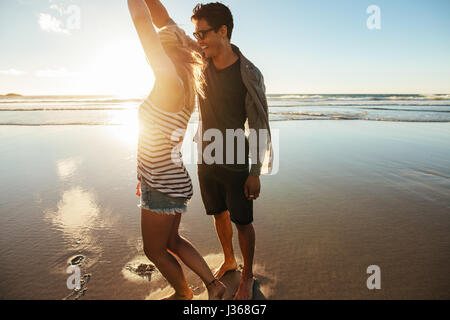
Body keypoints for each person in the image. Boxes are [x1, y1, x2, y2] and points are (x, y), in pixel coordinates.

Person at [128, 0, 226, 300]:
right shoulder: (185, 81)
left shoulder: (168, 80)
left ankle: (184, 294)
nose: (150, 54)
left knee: (154, 250)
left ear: (165, 54)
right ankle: (214, 286)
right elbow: (163, 19)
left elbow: (145, 25)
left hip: (162, 183)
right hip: (169, 177)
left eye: (157, 50)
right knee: (173, 241)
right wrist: (143, 175)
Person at [191, 3, 273, 300]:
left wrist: (255, 172)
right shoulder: (200, 62)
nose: (198, 39)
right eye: (195, 33)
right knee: (218, 213)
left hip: (237, 158)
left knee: (243, 221)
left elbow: (260, 123)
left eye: (202, 33)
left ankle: (247, 276)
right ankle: (229, 258)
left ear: (222, 31)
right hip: (205, 156)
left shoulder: (248, 73)